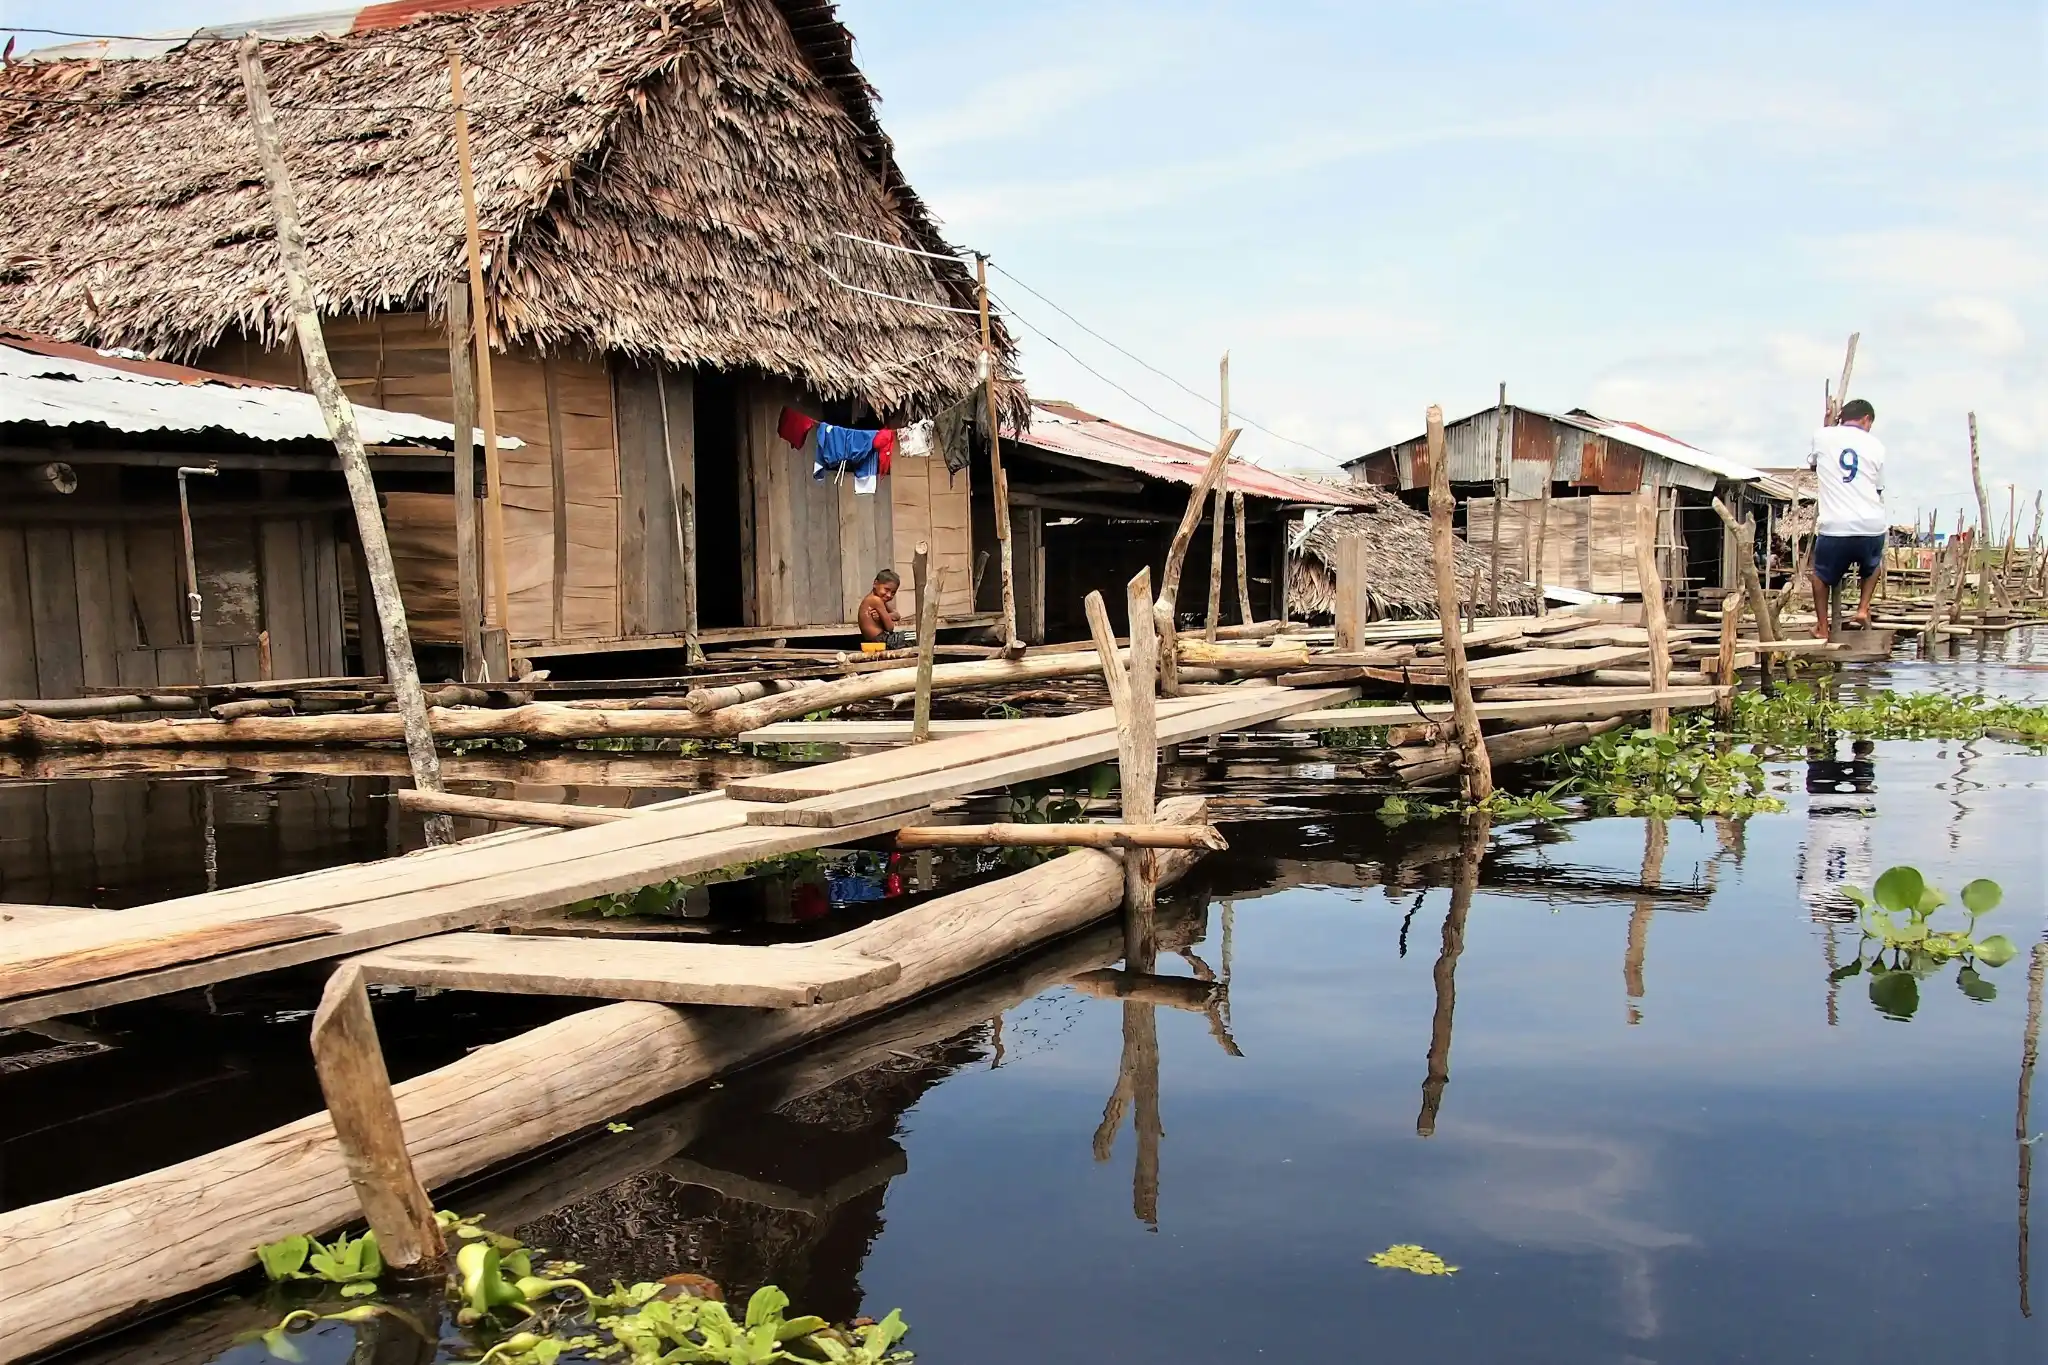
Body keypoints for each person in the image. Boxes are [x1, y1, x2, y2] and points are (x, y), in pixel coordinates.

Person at [1805, 398, 1886, 639]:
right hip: (1871, 525)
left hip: (1836, 527)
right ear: (1866, 419)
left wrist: (1827, 426)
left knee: (1820, 578)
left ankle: (1823, 627)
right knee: (1873, 567)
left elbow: (1814, 466)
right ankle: (1862, 608)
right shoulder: (1877, 446)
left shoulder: (1822, 436)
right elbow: (1878, 488)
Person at [857, 568, 902, 654]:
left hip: (878, 640)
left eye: (893, 593)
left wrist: (885, 616)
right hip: (882, 641)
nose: (889, 595)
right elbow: (890, 628)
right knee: (916, 636)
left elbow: (897, 615)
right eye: (886, 590)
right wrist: (886, 617)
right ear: (875, 583)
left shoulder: (878, 599)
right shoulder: (876, 600)